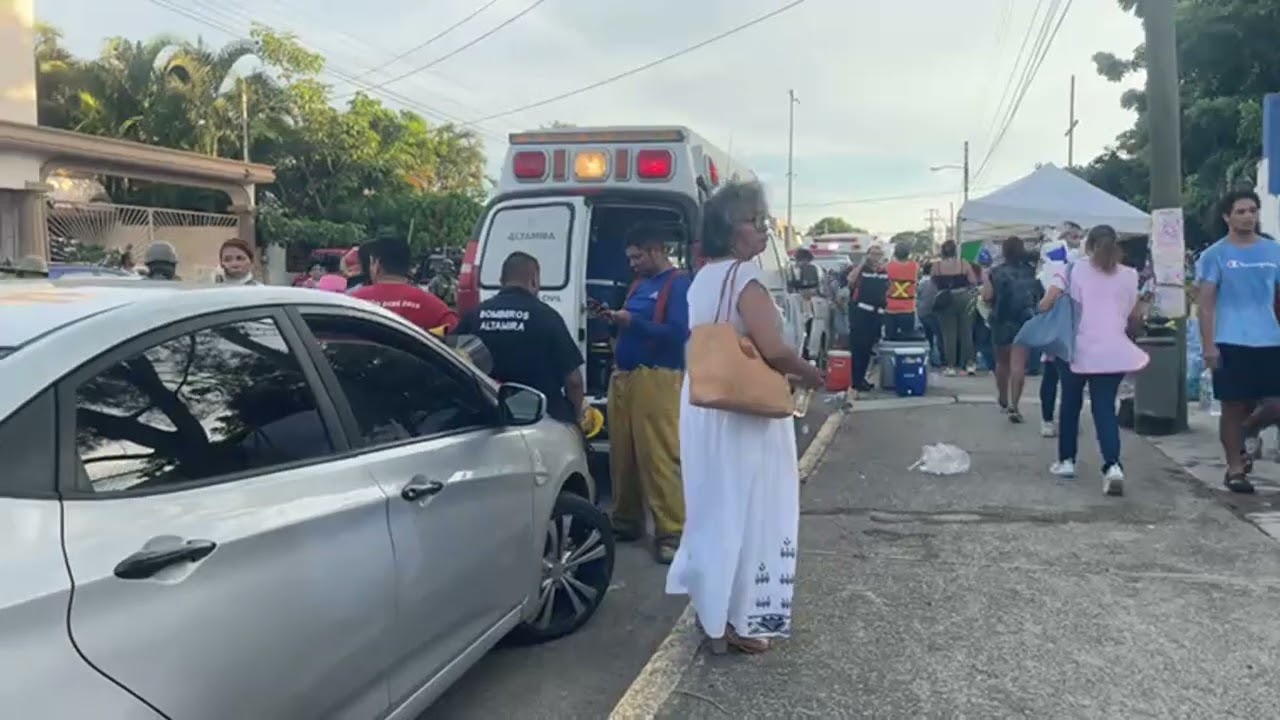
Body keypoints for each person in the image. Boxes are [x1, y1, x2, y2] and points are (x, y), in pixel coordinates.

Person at [667, 181, 822, 655]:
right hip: (746, 412)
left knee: (715, 508)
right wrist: (809, 373)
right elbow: (774, 349)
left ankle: (713, 613)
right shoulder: (746, 278)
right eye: (755, 221)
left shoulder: (702, 278)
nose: (763, 229)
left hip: (707, 405)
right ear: (732, 232)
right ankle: (744, 619)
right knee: (758, 510)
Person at [602, 223, 692, 563]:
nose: (632, 264)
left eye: (637, 256)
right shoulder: (639, 285)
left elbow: (679, 333)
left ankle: (672, 531)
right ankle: (627, 519)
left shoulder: (678, 284)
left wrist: (632, 323)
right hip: (626, 378)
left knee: (658, 455)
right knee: (623, 453)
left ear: (656, 251)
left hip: (659, 378)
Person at [1042, 225, 1148, 495]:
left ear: (1088, 245)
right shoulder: (1130, 275)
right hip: (1113, 349)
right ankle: (1113, 465)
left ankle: (1067, 460)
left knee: (1070, 403)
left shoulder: (1075, 270)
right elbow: (1132, 315)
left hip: (1077, 346)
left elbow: (1060, 305)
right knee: (1104, 409)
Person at [1196, 189, 1280, 494]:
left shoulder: (1273, 251)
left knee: (1274, 405)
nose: (1248, 216)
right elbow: (1206, 304)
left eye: (1252, 211)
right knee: (1233, 406)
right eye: (1241, 211)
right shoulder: (1215, 255)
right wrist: (1208, 346)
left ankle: (1247, 430)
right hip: (1229, 340)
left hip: (1270, 340)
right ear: (1227, 217)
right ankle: (1235, 468)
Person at [456, 251, 586, 426]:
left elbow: (453, 360)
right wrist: (577, 416)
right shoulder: (547, 317)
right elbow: (574, 382)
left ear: (501, 280)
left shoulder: (474, 316)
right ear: (534, 280)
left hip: (485, 421)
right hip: (539, 421)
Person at [982, 236, 1042, 422]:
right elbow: (1038, 296)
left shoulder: (996, 272)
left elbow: (987, 297)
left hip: (1001, 320)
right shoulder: (1031, 272)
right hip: (1024, 321)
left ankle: (1002, 398)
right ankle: (1015, 405)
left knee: (1002, 363)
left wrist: (985, 279)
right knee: (1018, 365)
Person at [1036, 221, 1084, 437]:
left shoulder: (1075, 262)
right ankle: (1050, 419)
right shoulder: (1059, 262)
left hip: (1069, 324)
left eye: (1077, 235)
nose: (1075, 239)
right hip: (1060, 323)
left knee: (1064, 376)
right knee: (1055, 374)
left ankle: (1061, 419)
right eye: (1072, 235)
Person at [351, 237, 458, 333]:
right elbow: (453, 329)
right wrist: (427, 336)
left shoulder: (354, 301)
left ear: (377, 265)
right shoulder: (431, 304)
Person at [931, 240, 977, 376]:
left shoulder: (937, 266)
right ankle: (969, 364)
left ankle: (950, 366)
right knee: (967, 332)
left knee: (948, 334)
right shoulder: (963, 263)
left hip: (945, 299)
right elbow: (973, 281)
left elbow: (933, 282)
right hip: (964, 297)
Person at [846, 244, 888, 392]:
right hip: (861, 313)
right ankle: (856, 381)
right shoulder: (861, 269)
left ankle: (861, 379)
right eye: (873, 254)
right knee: (859, 348)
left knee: (868, 349)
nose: (876, 257)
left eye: (879, 254)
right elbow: (850, 280)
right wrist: (863, 263)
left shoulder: (884, 271)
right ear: (868, 255)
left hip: (877, 314)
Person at [883, 243, 919, 340]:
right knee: (907, 339)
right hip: (908, 308)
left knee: (889, 338)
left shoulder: (888, 267)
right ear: (908, 254)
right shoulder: (914, 266)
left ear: (895, 253)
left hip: (890, 308)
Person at [917, 261, 941, 366]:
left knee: (928, 336)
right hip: (933, 312)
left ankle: (928, 359)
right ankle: (937, 360)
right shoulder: (936, 282)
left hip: (922, 312)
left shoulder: (921, 282)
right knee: (937, 336)